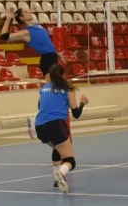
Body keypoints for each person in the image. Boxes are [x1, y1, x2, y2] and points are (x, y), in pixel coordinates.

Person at [33, 63, 87, 193]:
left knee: (57, 148)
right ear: (64, 74)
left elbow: (40, 106)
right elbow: (76, 114)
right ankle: (60, 174)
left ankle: (56, 180)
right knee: (70, 160)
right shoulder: (67, 88)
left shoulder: (45, 88)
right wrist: (82, 103)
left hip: (39, 126)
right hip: (56, 124)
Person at [2, 7, 59, 75]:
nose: (29, 12)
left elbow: (47, 43)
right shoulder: (26, 32)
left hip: (53, 56)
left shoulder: (38, 26)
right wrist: (8, 19)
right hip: (47, 59)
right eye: (26, 12)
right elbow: (4, 36)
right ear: (22, 18)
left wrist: (56, 52)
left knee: (57, 80)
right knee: (52, 81)